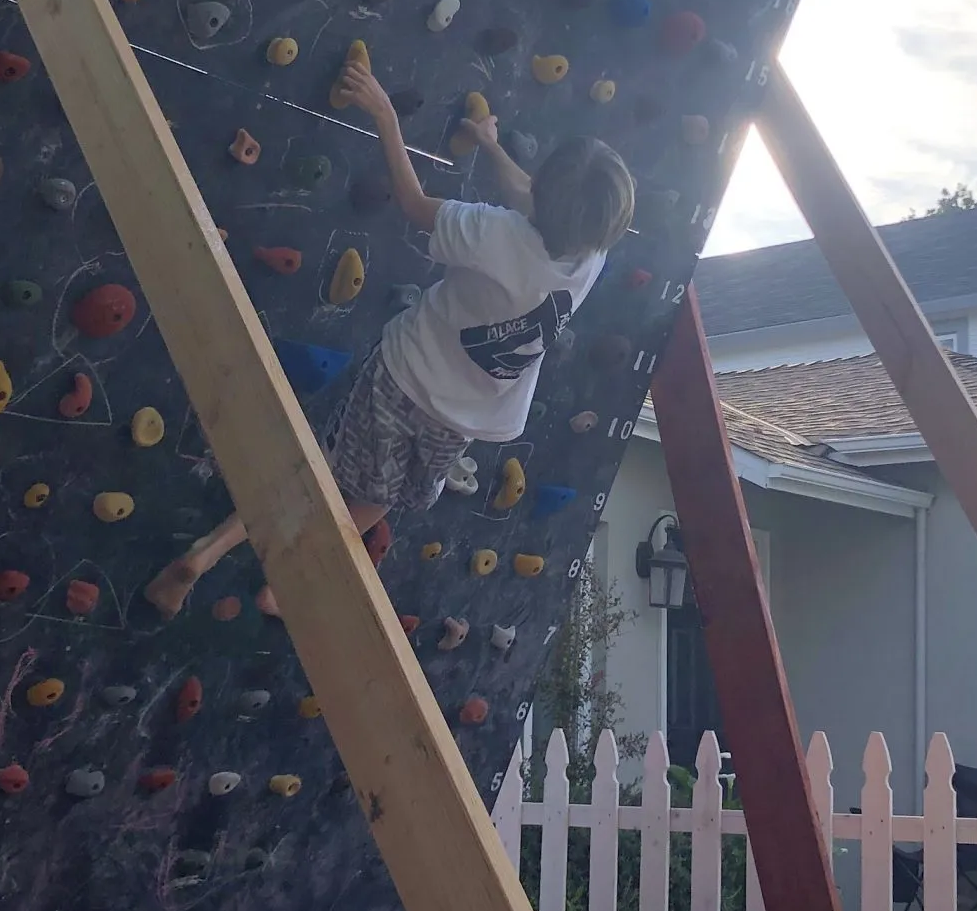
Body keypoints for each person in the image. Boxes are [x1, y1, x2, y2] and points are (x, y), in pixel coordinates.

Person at [144, 55, 633, 619]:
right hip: (463, 419)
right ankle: (285, 583)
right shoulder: (590, 258)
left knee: (321, 472)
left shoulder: (492, 233)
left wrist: (385, 117)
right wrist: (491, 144)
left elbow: (414, 204)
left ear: (548, 190)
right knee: (378, 496)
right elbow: (533, 195)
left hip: (402, 380)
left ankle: (207, 554)